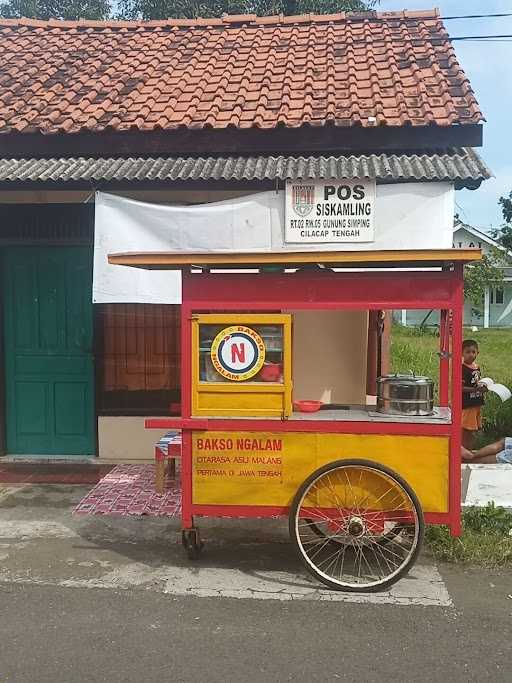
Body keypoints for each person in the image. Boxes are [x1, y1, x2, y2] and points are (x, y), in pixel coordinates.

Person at [461, 339, 487, 449]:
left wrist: (484, 387)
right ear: (462, 353)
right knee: (466, 430)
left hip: (477, 403)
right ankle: (462, 452)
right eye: (467, 352)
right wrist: (476, 390)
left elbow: (475, 383)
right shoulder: (462, 368)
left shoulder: (477, 367)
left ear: (477, 352)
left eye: (473, 352)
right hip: (468, 404)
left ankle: (469, 451)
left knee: (473, 430)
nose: (471, 355)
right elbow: (460, 388)